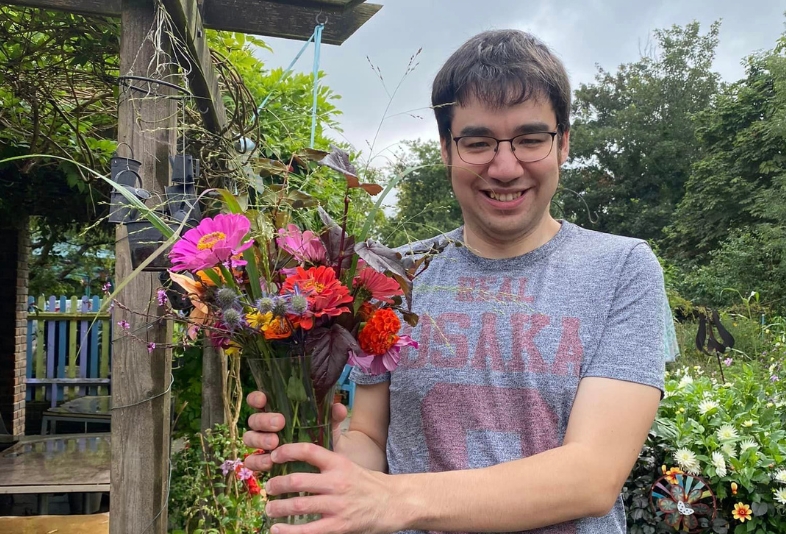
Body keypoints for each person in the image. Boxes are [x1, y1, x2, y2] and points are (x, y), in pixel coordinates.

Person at [244, 29, 675, 534]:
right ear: (447, 149)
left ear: (563, 144)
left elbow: (592, 476)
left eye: (531, 139)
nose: (505, 167)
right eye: (477, 143)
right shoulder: (392, 274)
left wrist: (394, 499)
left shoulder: (621, 268)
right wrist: (320, 448)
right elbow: (370, 437)